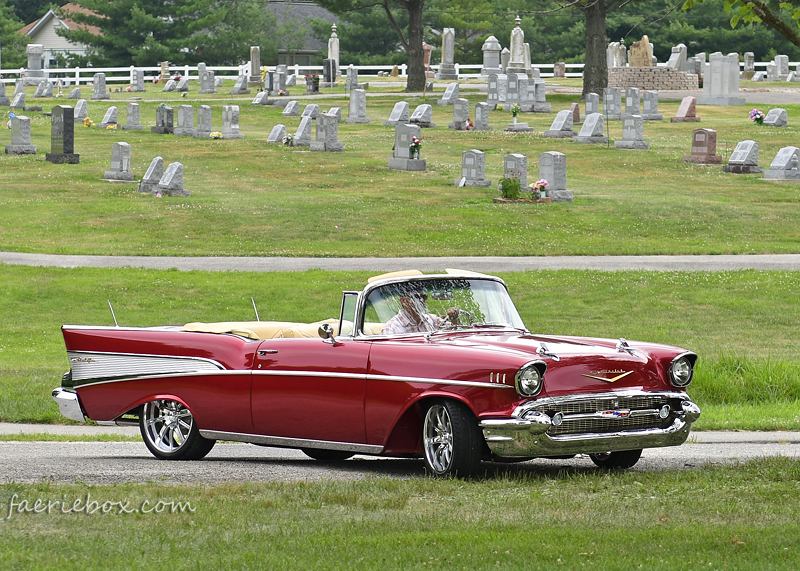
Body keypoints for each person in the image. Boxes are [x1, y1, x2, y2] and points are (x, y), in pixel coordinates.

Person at [381, 291, 460, 335]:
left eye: (424, 297)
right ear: (404, 301)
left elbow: (457, 332)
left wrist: (454, 319)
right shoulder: (392, 329)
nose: (422, 300)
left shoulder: (431, 319)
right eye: (417, 297)